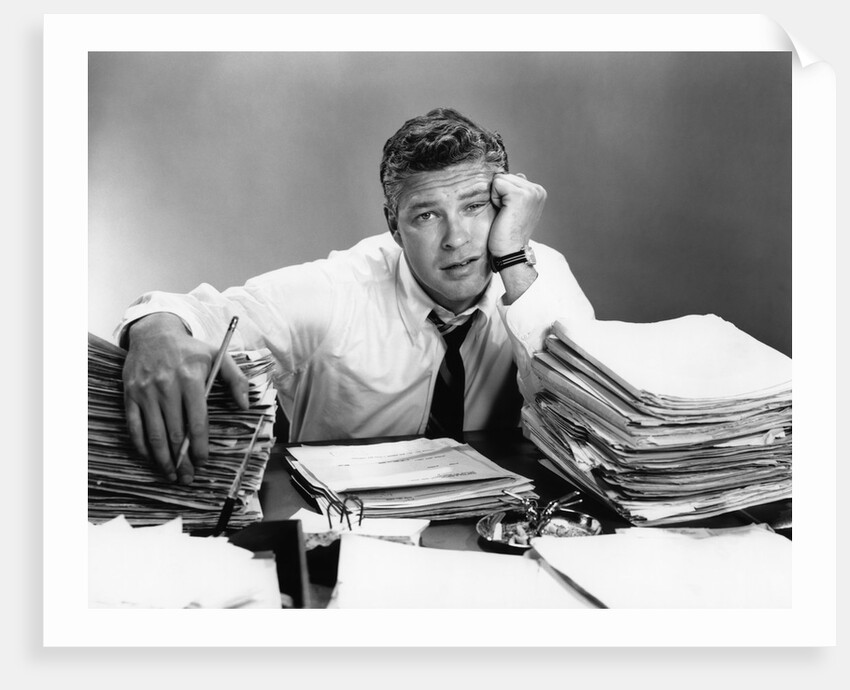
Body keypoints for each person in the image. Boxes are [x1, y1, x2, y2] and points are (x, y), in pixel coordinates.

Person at [116, 107, 594, 485]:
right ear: (394, 226)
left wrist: (512, 260)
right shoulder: (335, 291)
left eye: (474, 207)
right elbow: (188, 314)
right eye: (427, 215)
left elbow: (593, 406)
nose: (456, 239)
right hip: (349, 533)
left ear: (507, 204)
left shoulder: (530, 271)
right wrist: (154, 331)